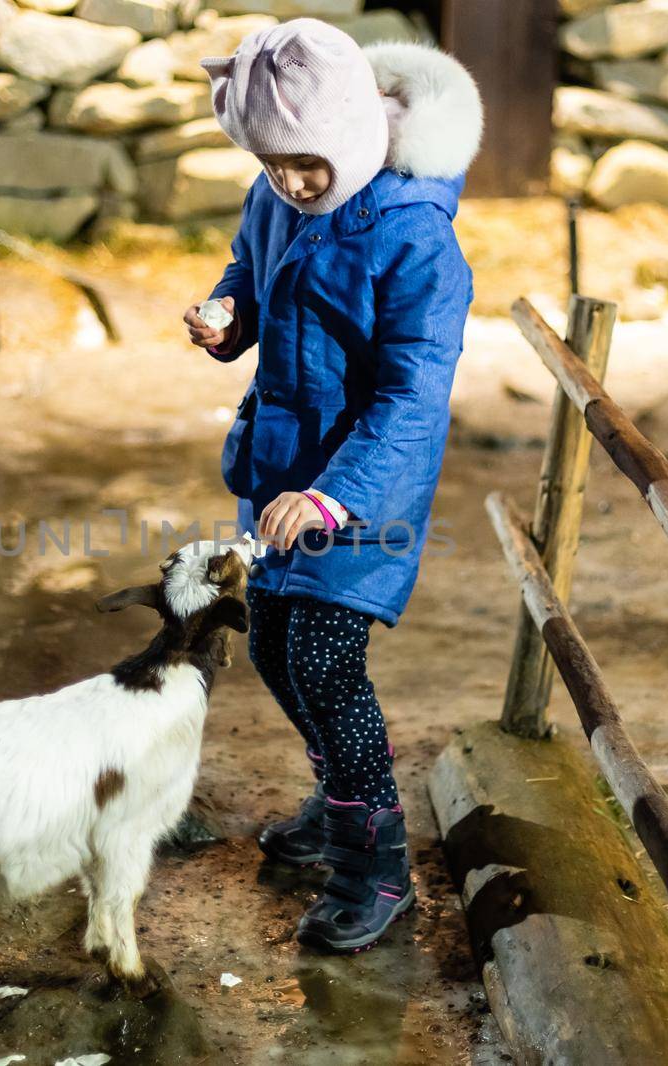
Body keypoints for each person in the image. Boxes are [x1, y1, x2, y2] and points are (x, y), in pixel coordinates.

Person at [184, 19, 482, 953]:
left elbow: (412, 399)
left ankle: (376, 868)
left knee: (323, 660)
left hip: (361, 490)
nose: (289, 182)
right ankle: (338, 795)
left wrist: (334, 498)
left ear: (354, 132)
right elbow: (252, 264)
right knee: (271, 646)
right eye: (271, 162)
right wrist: (230, 315)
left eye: (305, 163)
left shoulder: (414, 240)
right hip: (280, 468)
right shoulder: (279, 197)